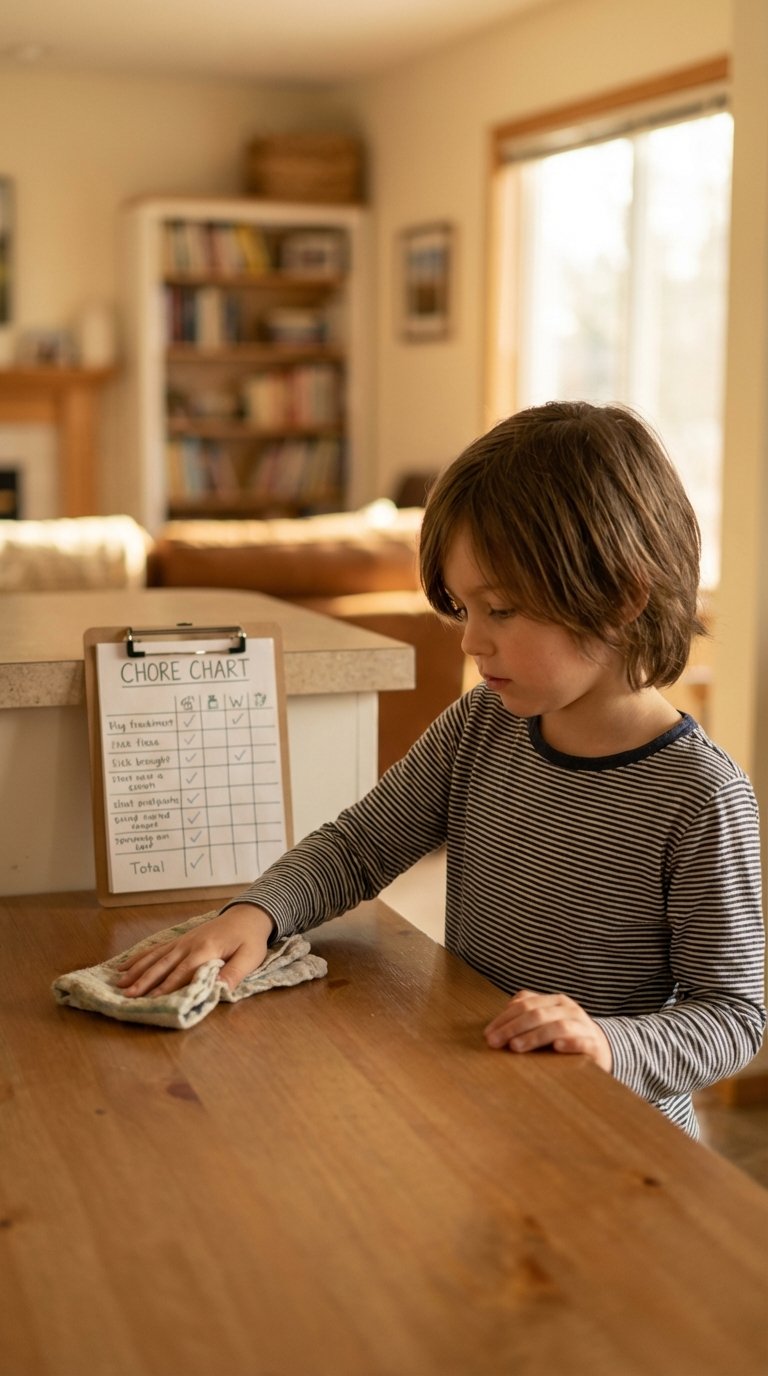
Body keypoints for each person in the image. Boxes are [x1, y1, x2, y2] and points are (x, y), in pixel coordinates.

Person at [117, 400, 766, 1138]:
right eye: (462, 608)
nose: (470, 642)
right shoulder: (480, 725)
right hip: (486, 1105)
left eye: (501, 610)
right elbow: (360, 847)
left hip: (617, 1139)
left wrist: (607, 1042)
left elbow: (732, 1016)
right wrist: (257, 913)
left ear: (620, 596)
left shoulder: (700, 795)